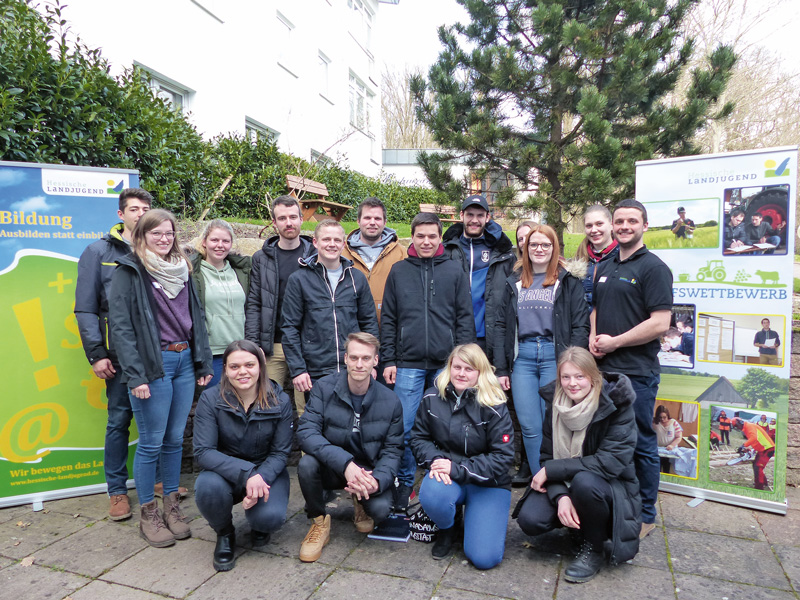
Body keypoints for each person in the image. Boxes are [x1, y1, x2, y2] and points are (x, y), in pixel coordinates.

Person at [109, 209, 213, 547]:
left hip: (184, 360)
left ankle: (172, 506)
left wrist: (203, 362)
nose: (164, 239)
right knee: (151, 441)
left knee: (173, 440)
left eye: (169, 233)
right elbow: (121, 328)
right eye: (157, 234)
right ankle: (149, 514)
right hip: (154, 365)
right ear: (141, 236)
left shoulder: (183, 269)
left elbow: (197, 318)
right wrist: (135, 375)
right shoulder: (131, 271)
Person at [514, 347, 640, 584]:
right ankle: (578, 528)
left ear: (593, 377)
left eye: (579, 376)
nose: (572, 384)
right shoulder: (556, 404)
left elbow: (609, 463)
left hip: (610, 487)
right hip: (569, 482)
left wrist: (552, 471)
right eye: (566, 377)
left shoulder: (616, 405)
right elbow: (546, 456)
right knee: (531, 520)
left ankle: (593, 548)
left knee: (584, 482)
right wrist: (561, 495)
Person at [381, 212, 475, 510]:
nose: (426, 241)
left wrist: (463, 360)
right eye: (420, 236)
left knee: (446, 426)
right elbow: (389, 319)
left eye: (432, 236)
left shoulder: (453, 270)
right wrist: (389, 359)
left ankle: (443, 478)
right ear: (412, 237)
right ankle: (406, 481)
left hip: (445, 363)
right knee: (406, 426)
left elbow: (464, 317)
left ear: (439, 238)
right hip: (407, 363)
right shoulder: (398, 271)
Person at [589, 199, 672, 539]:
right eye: (619, 221)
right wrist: (595, 337)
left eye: (631, 221)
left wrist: (616, 342)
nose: (624, 226)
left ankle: (647, 514)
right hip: (602, 369)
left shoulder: (654, 268)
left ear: (645, 226)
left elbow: (661, 323)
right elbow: (595, 307)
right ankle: (615, 505)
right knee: (606, 442)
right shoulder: (606, 263)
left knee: (640, 443)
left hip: (635, 372)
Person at [75, 188, 153, 520]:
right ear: (120, 215)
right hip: (118, 354)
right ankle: (117, 491)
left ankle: (160, 481)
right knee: (119, 420)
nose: (140, 213)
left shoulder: (158, 249)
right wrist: (96, 354)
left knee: (156, 421)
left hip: (156, 352)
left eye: (145, 208)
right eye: (133, 209)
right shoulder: (98, 252)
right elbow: (86, 309)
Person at [296, 333, 404, 563]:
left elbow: (393, 450)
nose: (359, 364)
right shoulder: (324, 388)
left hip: (367, 471)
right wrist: (345, 464)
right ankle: (319, 522)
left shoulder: (390, 400)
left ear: (376, 361)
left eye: (366, 358)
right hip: (333, 466)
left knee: (382, 510)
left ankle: (361, 503)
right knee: (306, 464)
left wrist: (378, 480)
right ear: (345, 358)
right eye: (354, 357)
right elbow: (306, 432)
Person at [494, 223, 590, 477]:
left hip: (554, 357)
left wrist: (573, 364)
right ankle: (540, 480)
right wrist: (501, 367)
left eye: (545, 244)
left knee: (554, 422)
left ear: (554, 248)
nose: (539, 249)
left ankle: (557, 479)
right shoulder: (513, 282)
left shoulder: (567, 282)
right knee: (529, 425)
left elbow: (581, 324)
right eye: (533, 244)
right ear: (525, 248)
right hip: (522, 359)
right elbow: (501, 325)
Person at [409, 344, 514, 569]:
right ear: (449, 368)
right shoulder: (431, 398)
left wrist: (456, 468)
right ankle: (449, 526)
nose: (461, 373)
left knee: (485, 559)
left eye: (469, 369)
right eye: (457, 367)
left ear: (480, 372)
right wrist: (435, 460)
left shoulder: (495, 405)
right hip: (449, 477)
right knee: (432, 493)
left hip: (488, 483)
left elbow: (503, 458)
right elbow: (418, 438)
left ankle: (476, 521)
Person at [193, 340, 292, 571]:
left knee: (269, 519)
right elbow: (203, 452)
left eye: (249, 364)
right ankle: (225, 534)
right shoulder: (210, 400)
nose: (243, 372)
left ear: (261, 366)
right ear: (225, 369)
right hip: (226, 472)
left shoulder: (280, 400)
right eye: (234, 366)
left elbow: (280, 453)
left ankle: (259, 523)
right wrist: (248, 474)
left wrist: (260, 476)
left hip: (267, 470)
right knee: (207, 486)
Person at [281, 219, 379, 399]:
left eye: (337, 240)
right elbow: (290, 327)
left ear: (343, 244)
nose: (332, 244)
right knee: (320, 422)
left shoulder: (356, 278)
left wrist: (372, 363)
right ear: (316, 242)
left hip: (354, 368)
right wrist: (298, 369)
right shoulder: (299, 279)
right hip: (316, 370)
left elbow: (369, 323)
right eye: (326, 239)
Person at [246, 195, 314, 415]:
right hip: (272, 345)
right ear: (274, 223)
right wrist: (254, 344)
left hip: (307, 345)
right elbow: (255, 303)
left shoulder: (314, 255)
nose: (289, 223)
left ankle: (309, 451)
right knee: (266, 407)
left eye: (293, 217)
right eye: (282, 218)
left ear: (302, 219)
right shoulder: (261, 258)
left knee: (309, 410)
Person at [442, 194, 515, 359]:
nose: (474, 220)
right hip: (454, 334)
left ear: (488, 217)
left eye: (480, 215)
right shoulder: (447, 251)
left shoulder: (501, 252)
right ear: (461, 215)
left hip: (488, 335)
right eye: (470, 215)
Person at [191, 219, 251, 387]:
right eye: (214, 240)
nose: (220, 245)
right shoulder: (193, 272)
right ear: (204, 242)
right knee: (216, 404)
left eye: (225, 241)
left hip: (240, 350)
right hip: (213, 352)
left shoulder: (241, 271)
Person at [342, 196, 407, 323]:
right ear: (358, 221)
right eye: (367, 218)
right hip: (350, 329)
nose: (372, 222)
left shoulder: (401, 253)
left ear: (385, 222)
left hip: (389, 328)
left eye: (377, 218)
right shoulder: (342, 253)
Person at [574, 205, 618, 305]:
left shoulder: (623, 257)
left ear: (611, 225)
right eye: (589, 226)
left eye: (599, 224)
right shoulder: (578, 261)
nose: (594, 230)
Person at [731, 417, 775, 490]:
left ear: (740, 422)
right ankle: (763, 482)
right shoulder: (747, 428)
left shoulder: (749, 426)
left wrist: (743, 445)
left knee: (758, 467)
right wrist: (751, 449)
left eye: (736, 426)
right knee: (756, 465)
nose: (737, 428)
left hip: (767, 448)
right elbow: (756, 440)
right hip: (762, 449)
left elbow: (754, 438)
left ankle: (759, 487)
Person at [653, 405, 683, 474]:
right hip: (658, 450)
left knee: (666, 468)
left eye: (664, 417)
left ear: (668, 415)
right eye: (660, 417)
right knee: (657, 469)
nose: (662, 419)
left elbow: (679, 437)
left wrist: (672, 445)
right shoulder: (654, 422)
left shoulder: (674, 422)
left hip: (669, 450)